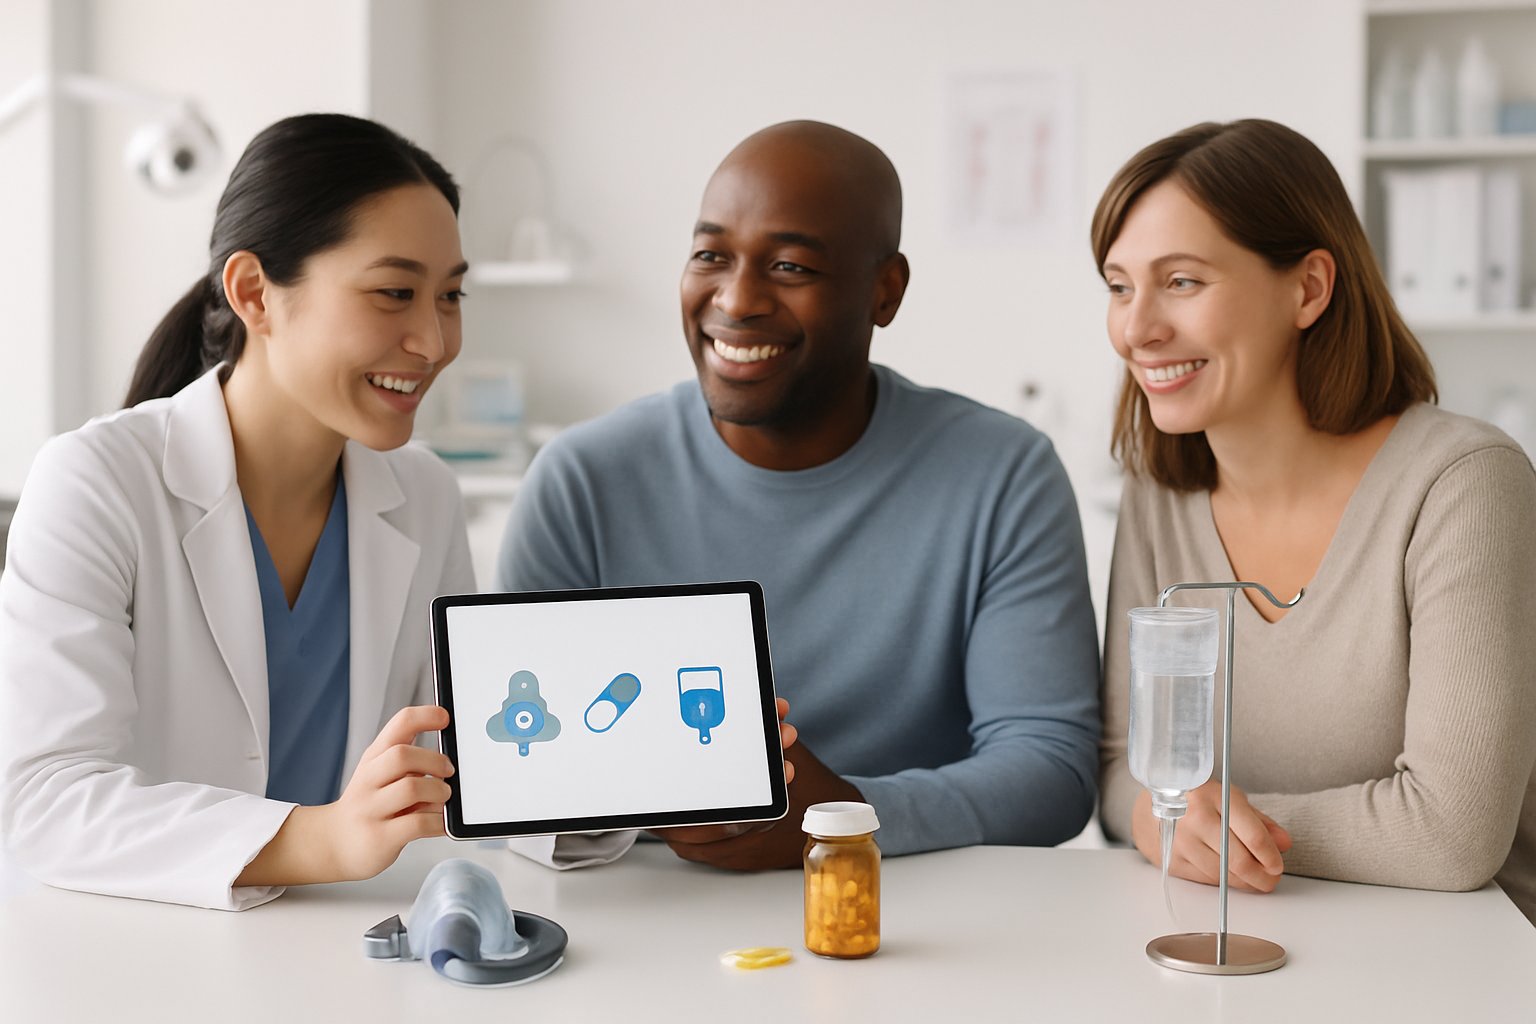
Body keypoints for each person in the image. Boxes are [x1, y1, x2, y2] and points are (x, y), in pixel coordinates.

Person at [496, 120, 1102, 870]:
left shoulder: (1003, 475)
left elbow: (1052, 772)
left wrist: (842, 818)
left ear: (886, 290)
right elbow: (520, 774)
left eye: (789, 267)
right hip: (647, 919)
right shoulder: (582, 480)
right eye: (710, 255)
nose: (737, 298)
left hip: (913, 920)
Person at [0, 114, 476, 910]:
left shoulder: (423, 494)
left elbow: (474, 759)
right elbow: (46, 799)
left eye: (451, 295)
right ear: (254, 292)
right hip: (136, 953)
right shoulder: (95, 481)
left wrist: (671, 797)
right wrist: (324, 838)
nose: (432, 339)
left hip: (341, 950)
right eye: (395, 292)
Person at [1093, 119, 1536, 924]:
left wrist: (1200, 828)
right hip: (1253, 947)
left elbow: (1452, 833)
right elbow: (1126, 768)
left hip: (1466, 965)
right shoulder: (1159, 491)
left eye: (1182, 282)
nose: (1137, 328)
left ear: (1309, 288)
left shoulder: (1463, 484)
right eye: (1120, 286)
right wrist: (1163, 821)